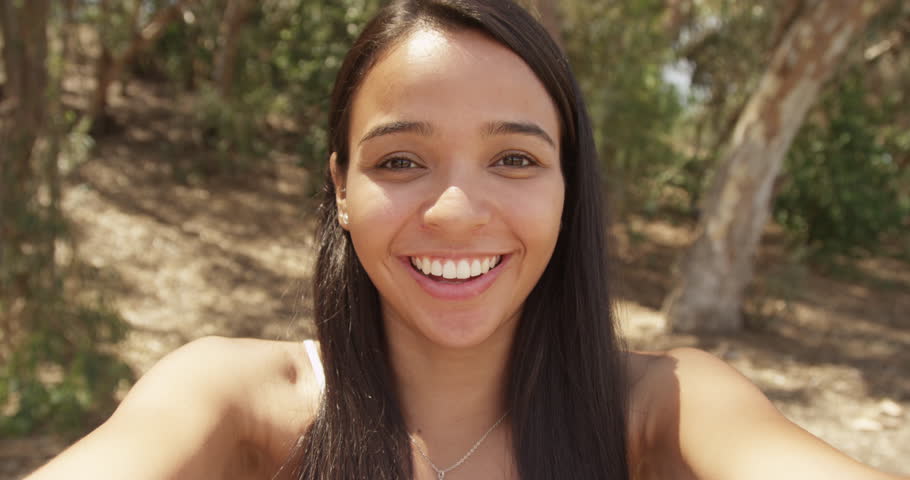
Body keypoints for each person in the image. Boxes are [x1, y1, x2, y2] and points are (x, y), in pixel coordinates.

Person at [25, 1, 907, 479]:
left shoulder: (657, 414)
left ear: (569, 186)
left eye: (515, 159)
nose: (454, 210)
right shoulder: (240, 406)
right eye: (401, 159)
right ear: (340, 189)